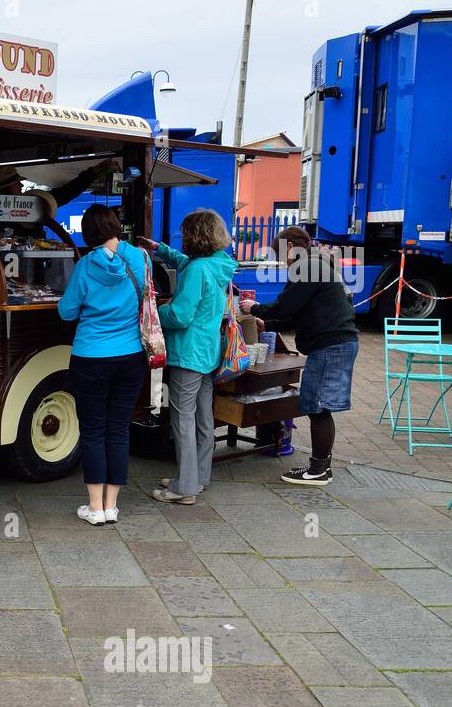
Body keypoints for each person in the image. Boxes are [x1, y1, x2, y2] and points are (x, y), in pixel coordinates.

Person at [240, 226, 358, 486]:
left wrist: (254, 307)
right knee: (319, 406)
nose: (283, 261)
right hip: (337, 342)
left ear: (291, 247)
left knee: (317, 406)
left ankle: (317, 471)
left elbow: (286, 306)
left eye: (282, 254)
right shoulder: (316, 265)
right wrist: (267, 324)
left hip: (329, 345)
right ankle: (321, 468)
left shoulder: (308, 267)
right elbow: (296, 314)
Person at [136, 209, 234, 506]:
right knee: (204, 419)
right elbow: (190, 266)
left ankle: (185, 488)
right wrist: (160, 250)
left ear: (194, 235)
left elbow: (179, 315)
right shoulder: (219, 264)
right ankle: (198, 477)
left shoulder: (198, 269)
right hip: (208, 352)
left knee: (182, 420)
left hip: (188, 353)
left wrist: (152, 311)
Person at [58, 204, 146, 525]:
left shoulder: (84, 267)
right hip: (131, 357)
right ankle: (112, 506)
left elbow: (67, 312)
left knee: (93, 431)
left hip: (91, 357)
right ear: (116, 227)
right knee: (119, 430)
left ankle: (94, 509)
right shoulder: (138, 258)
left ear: (88, 233)